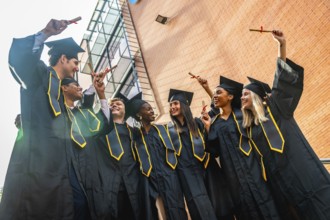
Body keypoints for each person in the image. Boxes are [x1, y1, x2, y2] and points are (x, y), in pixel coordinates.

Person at [0, 18, 103, 219]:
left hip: (64, 167)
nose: (76, 68)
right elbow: (19, 61)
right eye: (75, 63)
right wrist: (46, 32)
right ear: (63, 58)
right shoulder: (38, 75)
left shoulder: (63, 99)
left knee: (79, 206)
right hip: (39, 165)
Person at [240, 30, 330, 219]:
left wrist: (281, 45)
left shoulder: (277, 107)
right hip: (283, 184)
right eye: (241, 95)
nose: (242, 97)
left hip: (304, 170)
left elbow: (281, 83)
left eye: (246, 93)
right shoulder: (251, 129)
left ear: (258, 96)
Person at [201, 76, 283, 219]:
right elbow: (214, 152)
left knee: (268, 202)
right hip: (233, 178)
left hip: (255, 169)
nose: (215, 96)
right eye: (214, 93)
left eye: (219, 92)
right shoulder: (215, 124)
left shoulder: (243, 115)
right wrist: (208, 128)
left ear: (231, 96)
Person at [126, 93, 188, 220]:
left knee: (177, 209)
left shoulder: (164, 130)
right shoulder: (136, 138)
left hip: (170, 176)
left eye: (152, 109)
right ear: (139, 115)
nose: (152, 111)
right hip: (151, 180)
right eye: (148, 109)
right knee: (158, 213)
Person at [167, 89, 217, 220]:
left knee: (216, 202)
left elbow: (211, 145)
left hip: (206, 168)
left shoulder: (198, 123)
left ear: (184, 105)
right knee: (198, 206)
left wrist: (208, 127)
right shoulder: (169, 131)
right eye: (171, 105)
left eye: (175, 103)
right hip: (186, 172)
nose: (172, 107)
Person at [92, 92, 142, 219]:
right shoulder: (100, 130)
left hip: (133, 181)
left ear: (125, 110)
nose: (114, 106)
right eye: (111, 105)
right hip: (109, 183)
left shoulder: (135, 132)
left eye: (118, 104)